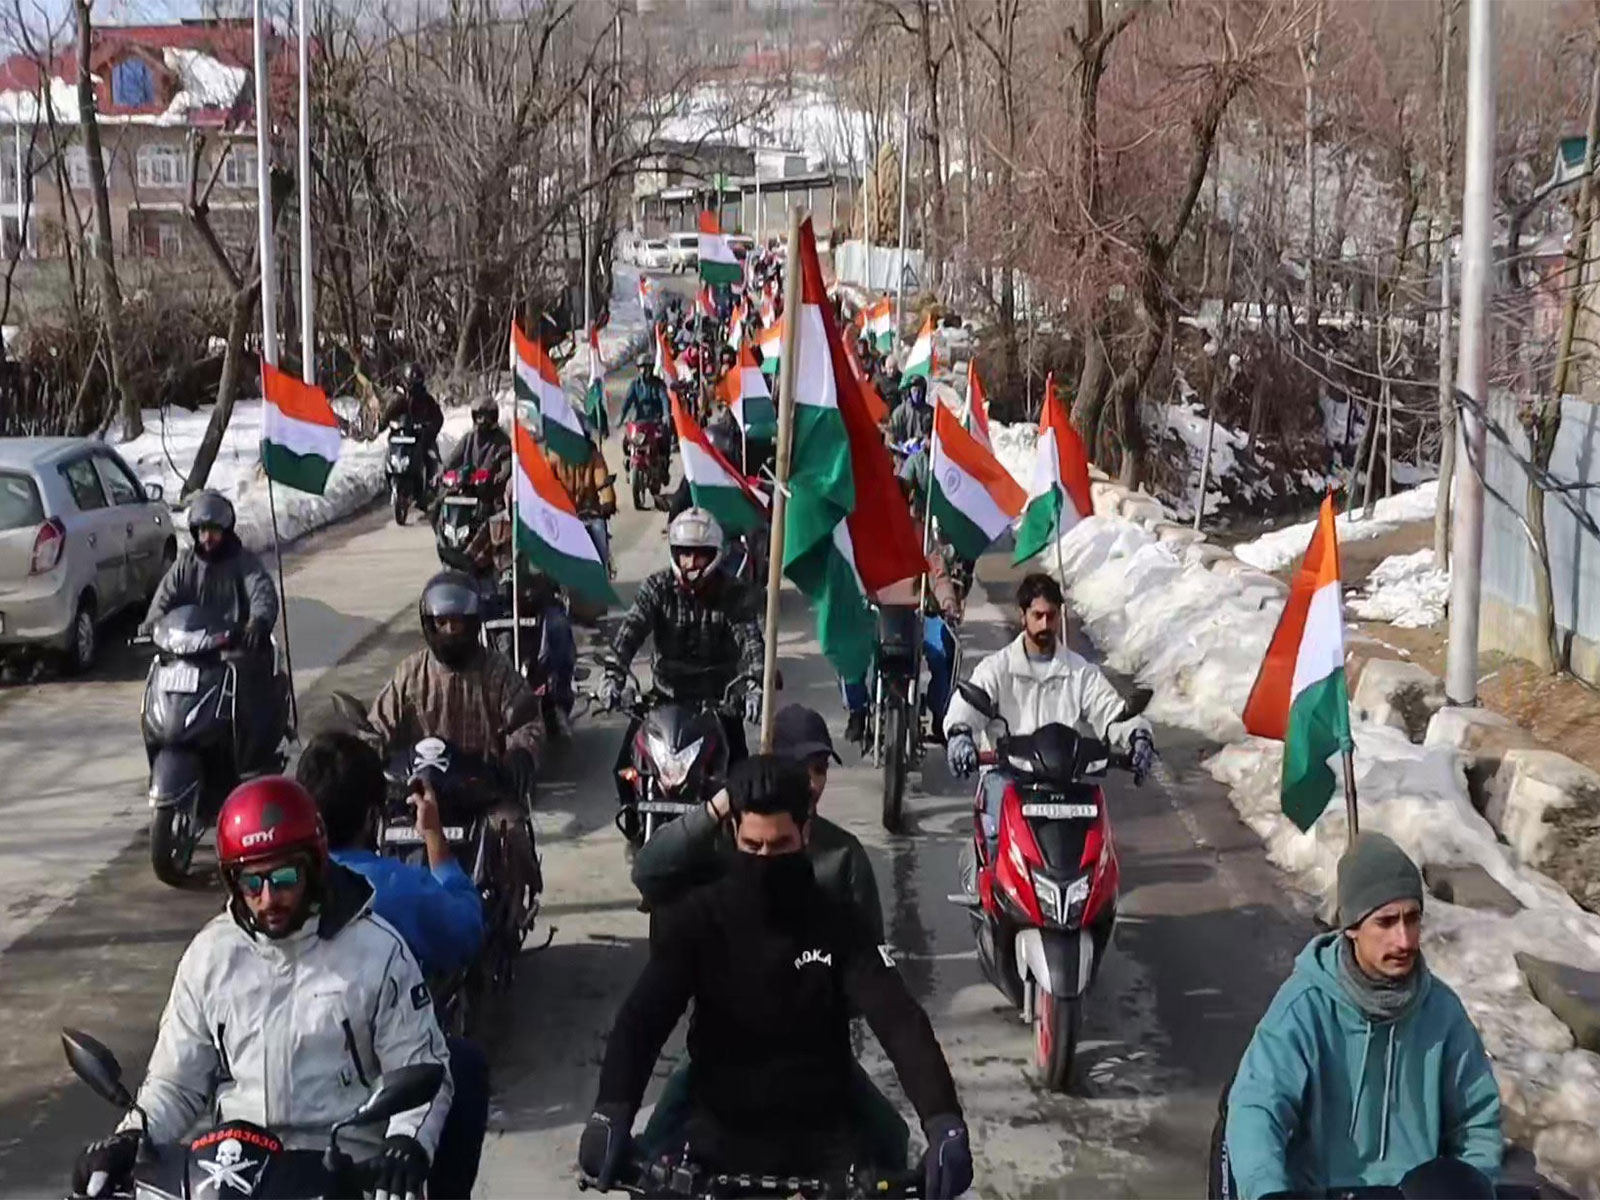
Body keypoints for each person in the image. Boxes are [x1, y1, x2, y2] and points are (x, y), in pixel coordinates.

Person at [578, 757, 973, 1197]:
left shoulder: (838, 921)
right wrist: (610, 1110)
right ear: (734, 836)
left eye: (780, 846)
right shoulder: (699, 919)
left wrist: (944, 1121)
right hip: (716, 1116)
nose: (766, 860)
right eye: (753, 847)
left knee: (897, 1153)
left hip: (825, 1121)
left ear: (805, 834)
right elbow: (642, 1019)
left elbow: (900, 1020)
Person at [70, 777, 454, 1200]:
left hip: (346, 1170)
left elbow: (421, 1069)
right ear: (234, 883)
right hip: (230, 1172)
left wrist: (407, 1143)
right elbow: (176, 1085)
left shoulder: (378, 953)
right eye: (252, 883)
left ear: (314, 866)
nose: (268, 897)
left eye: (284, 877)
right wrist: (129, 1137)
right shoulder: (211, 956)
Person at [1223, 833, 1502, 1199]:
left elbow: (1477, 1121)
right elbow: (1257, 1109)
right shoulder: (1304, 1007)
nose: (1403, 940)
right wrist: (1268, 1191)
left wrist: (1473, 1185)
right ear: (1352, 927)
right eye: (1386, 922)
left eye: (1412, 919)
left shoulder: (1443, 1012)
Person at [295, 732, 489, 1199]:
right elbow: (466, 928)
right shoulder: (399, 890)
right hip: (365, 1077)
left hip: (292, 1081)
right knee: (463, 1064)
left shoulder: (270, 896)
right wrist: (434, 836)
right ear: (372, 816)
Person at [368, 571, 543, 926]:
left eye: (458, 623)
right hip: (417, 795)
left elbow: (526, 720)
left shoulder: (497, 671)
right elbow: (377, 726)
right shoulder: (410, 674)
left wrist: (521, 752)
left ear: (473, 623)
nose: (450, 630)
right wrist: (363, 755)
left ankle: (514, 912)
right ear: (428, 624)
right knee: (368, 838)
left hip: (481, 792)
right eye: (442, 622)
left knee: (512, 832)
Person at [943, 572, 1155, 782]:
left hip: (1065, 781)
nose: (1044, 624)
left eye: (1051, 616)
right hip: (1007, 777)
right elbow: (968, 704)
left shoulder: (1080, 671)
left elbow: (1110, 711)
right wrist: (960, 734)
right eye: (1037, 615)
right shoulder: (997, 668)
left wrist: (1138, 735)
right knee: (998, 796)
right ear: (1023, 615)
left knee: (1097, 809)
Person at [603, 507, 763, 780]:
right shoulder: (657, 587)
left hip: (717, 703)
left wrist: (755, 684)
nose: (690, 562)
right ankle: (634, 820)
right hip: (664, 700)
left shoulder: (733, 593)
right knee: (624, 771)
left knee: (741, 783)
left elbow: (750, 642)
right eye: (684, 553)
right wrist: (612, 675)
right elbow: (630, 631)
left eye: (699, 554)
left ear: (715, 555)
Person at [142, 490, 285, 773]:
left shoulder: (243, 563)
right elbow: (165, 597)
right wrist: (152, 623)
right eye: (203, 531)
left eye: (214, 531)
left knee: (245, 696)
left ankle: (244, 753)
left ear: (226, 531)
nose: (208, 538)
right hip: (191, 651)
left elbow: (262, 591)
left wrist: (257, 620)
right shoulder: (186, 565)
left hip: (230, 651)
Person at [545, 433, 618, 578]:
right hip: (565, 516)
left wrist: (608, 503)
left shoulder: (593, 456)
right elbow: (545, 485)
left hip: (591, 513)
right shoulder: (554, 457)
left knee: (600, 546)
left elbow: (603, 482)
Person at [382, 363, 446, 476]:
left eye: (417, 383)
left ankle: (434, 478)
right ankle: (391, 474)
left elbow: (438, 417)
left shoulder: (426, 400)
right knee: (392, 452)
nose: (414, 387)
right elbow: (387, 415)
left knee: (431, 454)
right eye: (412, 383)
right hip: (403, 437)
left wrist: (430, 429)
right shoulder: (400, 400)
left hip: (422, 437)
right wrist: (383, 425)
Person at [444, 396, 511, 485]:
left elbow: (506, 462)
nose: (480, 421)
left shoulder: (501, 439)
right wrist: (443, 469)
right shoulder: (469, 437)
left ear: (492, 417)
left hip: (490, 488)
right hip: (467, 485)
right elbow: (454, 457)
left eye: (483, 417)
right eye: (477, 416)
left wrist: (501, 476)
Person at [619, 357, 669, 428]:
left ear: (651, 368)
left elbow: (664, 400)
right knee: (628, 437)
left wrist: (666, 415)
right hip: (639, 421)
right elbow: (627, 401)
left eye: (648, 368)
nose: (645, 371)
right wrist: (621, 417)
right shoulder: (635, 384)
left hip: (656, 421)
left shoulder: (659, 384)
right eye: (642, 368)